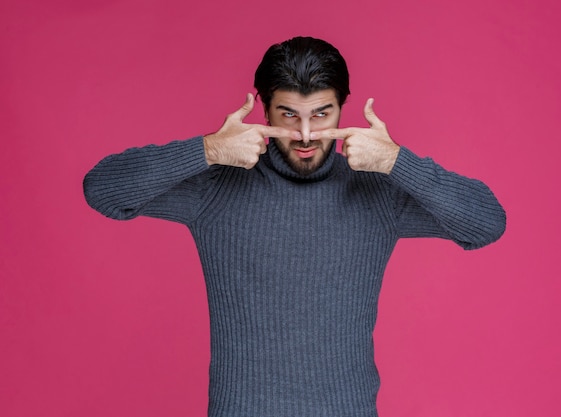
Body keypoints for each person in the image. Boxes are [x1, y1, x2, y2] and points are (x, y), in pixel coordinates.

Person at [83, 36, 506, 417]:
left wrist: (398, 161)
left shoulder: (378, 192)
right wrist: (207, 149)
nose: (305, 135)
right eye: (289, 115)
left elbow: (487, 223)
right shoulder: (215, 188)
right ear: (264, 109)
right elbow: (102, 190)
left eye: (322, 114)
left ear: (344, 107)